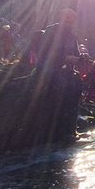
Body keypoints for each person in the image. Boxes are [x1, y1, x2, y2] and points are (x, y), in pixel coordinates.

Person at [35, 9, 83, 140]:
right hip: (51, 70)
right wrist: (65, 58)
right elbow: (45, 52)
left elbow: (76, 54)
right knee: (59, 86)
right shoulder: (51, 31)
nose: (70, 20)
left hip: (68, 71)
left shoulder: (72, 35)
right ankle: (57, 131)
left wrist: (81, 58)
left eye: (72, 18)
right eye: (67, 18)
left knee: (76, 86)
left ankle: (71, 130)